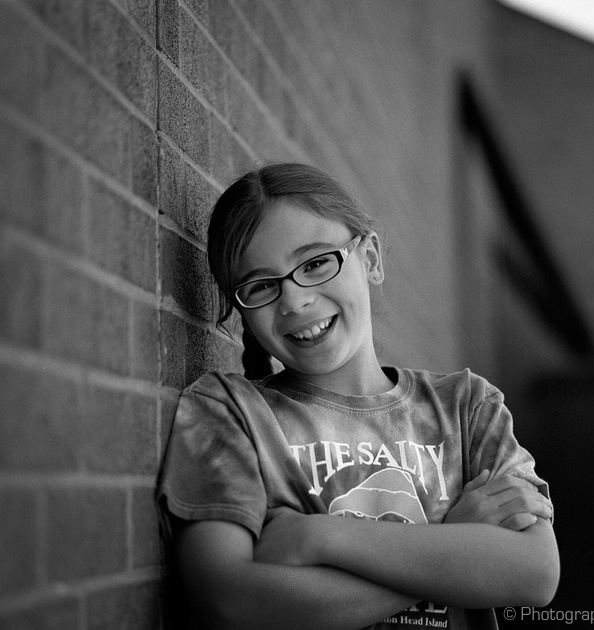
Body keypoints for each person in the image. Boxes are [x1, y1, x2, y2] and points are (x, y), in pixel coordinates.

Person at [157, 163, 559, 629]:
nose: (295, 302)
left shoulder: (466, 407)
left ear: (370, 258)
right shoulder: (229, 413)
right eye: (262, 286)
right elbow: (230, 603)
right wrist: (454, 544)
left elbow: (535, 573)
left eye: (315, 264)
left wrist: (318, 537)